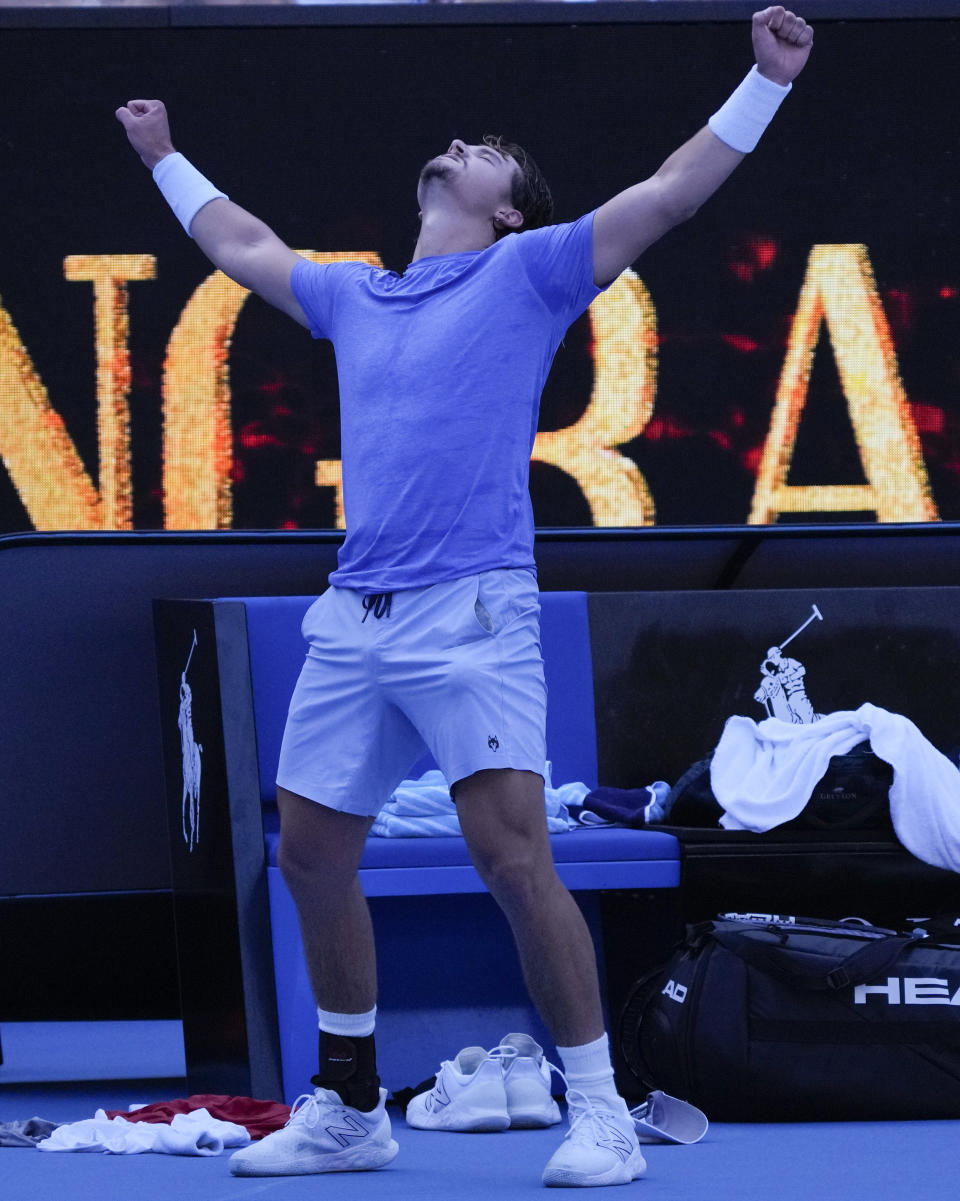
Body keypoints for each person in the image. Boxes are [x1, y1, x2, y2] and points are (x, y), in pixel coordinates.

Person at [116, 6, 813, 1187]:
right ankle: (348, 1106)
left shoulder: (529, 271)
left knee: (510, 855)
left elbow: (670, 192)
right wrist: (163, 157)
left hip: (475, 613)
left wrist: (767, 80)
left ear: (507, 208)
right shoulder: (355, 297)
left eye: (488, 150)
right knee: (311, 855)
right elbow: (241, 244)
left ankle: (598, 1109)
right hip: (355, 617)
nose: (462, 144)